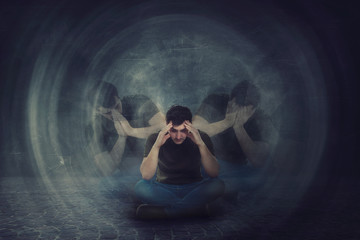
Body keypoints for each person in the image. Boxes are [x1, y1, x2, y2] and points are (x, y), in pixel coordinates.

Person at [134, 105, 225, 219]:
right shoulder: (155, 138)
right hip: (164, 189)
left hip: (194, 188)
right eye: (174, 131)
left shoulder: (201, 137)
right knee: (140, 187)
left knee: (218, 185)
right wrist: (157, 145)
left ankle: (170, 212)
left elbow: (214, 173)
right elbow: (146, 175)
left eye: (183, 130)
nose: (178, 136)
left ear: (190, 126)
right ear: (167, 126)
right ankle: (192, 210)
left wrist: (200, 144)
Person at [193, 80, 275, 201]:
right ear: (230, 100)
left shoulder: (259, 118)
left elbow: (258, 160)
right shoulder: (215, 100)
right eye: (236, 106)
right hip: (204, 163)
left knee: (260, 177)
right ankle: (213, 189)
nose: (239, 113)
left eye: (245, 110)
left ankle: (218, 189)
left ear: (253, 110)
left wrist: (238, 127)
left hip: (232, 170)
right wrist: (227, 122)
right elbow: (193, 134)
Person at [86, 81, 165, 194]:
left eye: (117, 107)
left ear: (118, 97)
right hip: (130, 172)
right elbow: (107, 169)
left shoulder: (138, 101)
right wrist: (122, 138)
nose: (116, 115)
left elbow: (166, 128)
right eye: (108, 113)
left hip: (158, 163)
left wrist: (132, 131)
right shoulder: (94, 128)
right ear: (97, 111)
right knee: (105, 187)